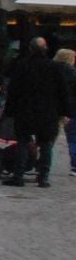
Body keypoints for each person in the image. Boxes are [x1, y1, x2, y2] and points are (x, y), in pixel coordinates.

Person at [0, 38, 69, 187]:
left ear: (30, 49)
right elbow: (63, 92)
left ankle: (18, 175)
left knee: (23, 142)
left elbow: (13, 90)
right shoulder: (54, 68)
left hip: (25, 111)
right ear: (46, 49)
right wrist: (64, 112)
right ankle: (43, 177)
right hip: (48, 112)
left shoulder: (23, 66)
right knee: (46, 145)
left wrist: (10, 111)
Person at [55, 47, 76, 176]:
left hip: (52, 108)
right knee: (73, 138)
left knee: (47, 138)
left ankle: (40, 162)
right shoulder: (73, 73)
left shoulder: (51, 70)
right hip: (72, 109)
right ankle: (75, 166)